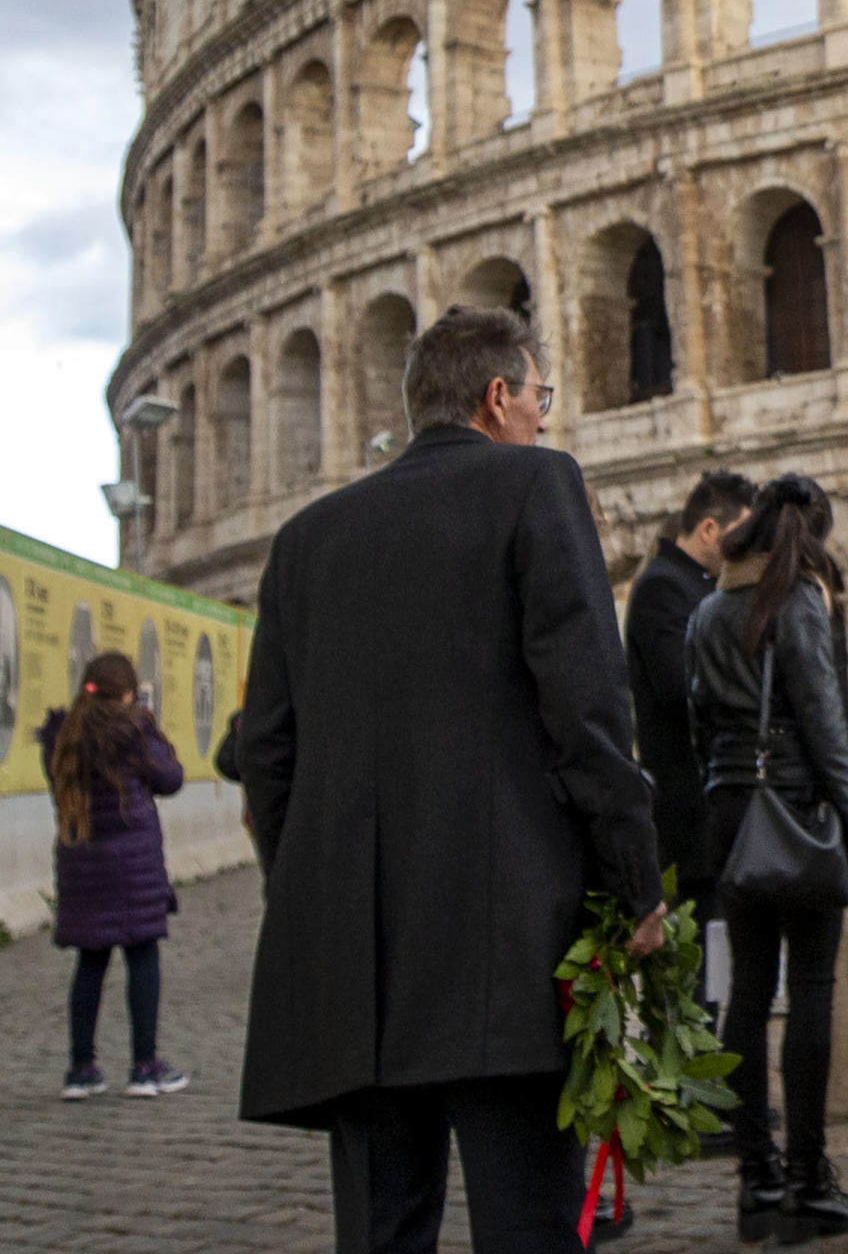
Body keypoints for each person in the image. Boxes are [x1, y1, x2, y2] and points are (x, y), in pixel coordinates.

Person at [239, 304, 666, 1254]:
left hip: (352, 954)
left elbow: (265, 752)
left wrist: (309, 884)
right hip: (507, 933)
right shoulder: (535, 485)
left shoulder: (306, 539)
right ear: (498, 394)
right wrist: (635, 882)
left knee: (382, 1233)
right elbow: (589, 711)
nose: (545, 418)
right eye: (539, 395)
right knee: (529, 1226)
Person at [687, 475, 848, 1243]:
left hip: (733, 808)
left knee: (748, 992)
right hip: (796, 806)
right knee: (814, 988)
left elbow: (697, 720)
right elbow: (824, 723)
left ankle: (755, 1182)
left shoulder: (707, 608)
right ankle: (807, 1178)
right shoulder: (795, 601)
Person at [625, 467, 760, 1050]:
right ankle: (683, 1091)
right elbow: (679, 685)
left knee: (707, 954)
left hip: (705, 805)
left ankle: (700, 1086)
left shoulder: (693, 587)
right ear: (709, 529)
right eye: (741, 536)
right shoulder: (663, 587)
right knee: (691, 961)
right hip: (685, 809)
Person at [45, 649, 187, 1101]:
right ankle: (145, 1067)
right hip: (132, 864)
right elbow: (169, 778)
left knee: (90, 963)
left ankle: (81, 1069)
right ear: (127, 691)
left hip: (81, 861)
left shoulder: (65, 733)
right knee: (142, 956)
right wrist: (151, 728)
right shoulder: (134, 729)